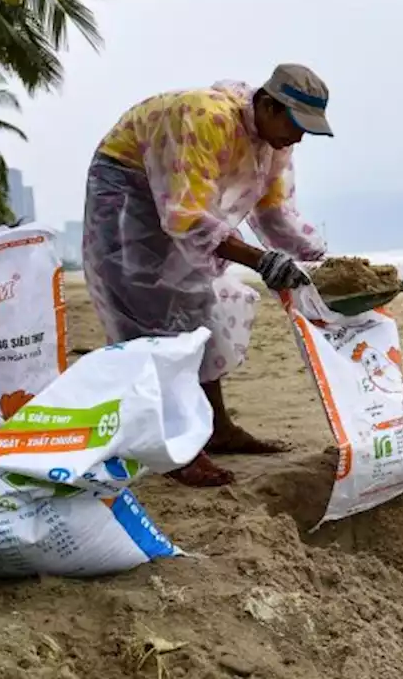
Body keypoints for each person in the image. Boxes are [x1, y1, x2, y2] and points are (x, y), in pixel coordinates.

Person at [83, 64, 333, 487]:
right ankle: (178, 446)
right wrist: (261, 262)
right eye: (296, 124)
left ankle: (217, 428)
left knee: (199, 306)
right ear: (269, 105)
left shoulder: (274, 144)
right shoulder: (208, 117)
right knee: (152, 317)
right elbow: (183, 217)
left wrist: (321, 262)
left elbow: (274, 214)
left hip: (179, 201)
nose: (299, 137)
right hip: (128, 187)